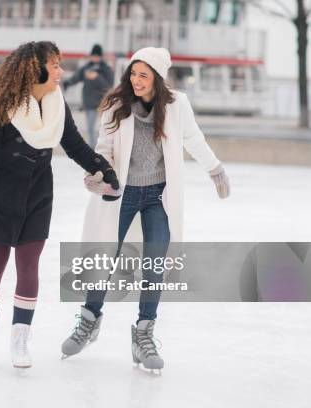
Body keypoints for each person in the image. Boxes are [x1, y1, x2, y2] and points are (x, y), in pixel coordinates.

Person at [60, 47, 231, 372]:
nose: (136, 81)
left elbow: (193, 139)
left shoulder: (176, 105)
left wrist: (215, 169)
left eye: (143, 75)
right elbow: (104, 149)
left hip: (157, 195)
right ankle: (89, 319)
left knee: (155, 264)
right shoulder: (115, 103)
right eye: (133, 74)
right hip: (121, 193)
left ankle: (143, 334)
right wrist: (97, 175)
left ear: (157, 78)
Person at [0, 41, 120, 369]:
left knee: (29, 268)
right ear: (36, 70)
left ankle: (20, 340)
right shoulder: (0, 113)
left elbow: (75, 146)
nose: (61, 71)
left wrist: (103, 168)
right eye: (55, 65)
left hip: (37, 198)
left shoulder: (57, 109)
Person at [63, 44, 114, 149]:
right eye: (93, 56)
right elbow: (76, 77)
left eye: (97, 56)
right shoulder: (86, 68)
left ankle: (103, 148)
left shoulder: (105, 69)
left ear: (100, 56)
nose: (95, 58)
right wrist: (67, 83)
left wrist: (97, 77)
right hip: (89, 103)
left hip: (102, 104)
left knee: (105, 129)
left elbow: (109, 86)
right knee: (90, 128)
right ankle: (93, 148)